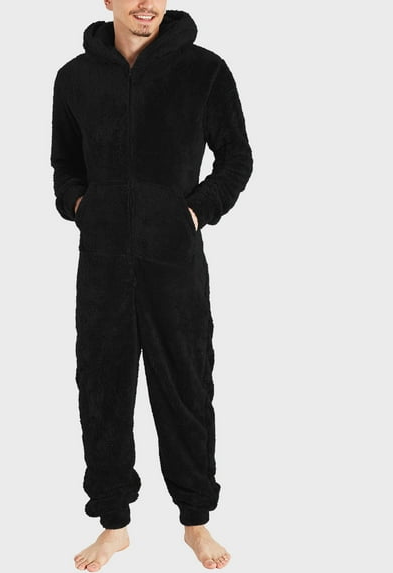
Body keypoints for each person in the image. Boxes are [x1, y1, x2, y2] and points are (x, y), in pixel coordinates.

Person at [51, 1, 252, 570]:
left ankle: (196, 521)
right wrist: (81, 206)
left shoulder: (205, 70)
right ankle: (113, 525)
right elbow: (65, 164)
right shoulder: (75, 77)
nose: (146, 3)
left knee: (186, 386)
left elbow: (236, 159)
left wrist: (193, 213)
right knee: (102, 388)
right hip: (103, 262)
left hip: (174, 261)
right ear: (108, 1)